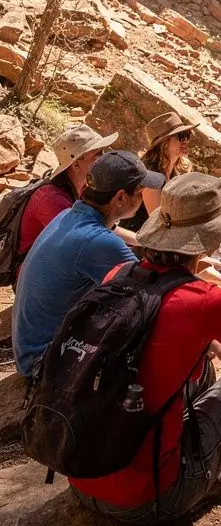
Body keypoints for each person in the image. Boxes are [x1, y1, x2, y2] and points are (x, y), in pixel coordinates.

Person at [68, 173, 221, 526]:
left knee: (199, 360)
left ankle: (214, 476)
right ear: (209, 239)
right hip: (151, 498)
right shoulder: (207, 301)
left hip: (82, 479)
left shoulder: (118, 274)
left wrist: (203, 340)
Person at [12, 150, 162, 377]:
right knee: (150, 318)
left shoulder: (69, 215)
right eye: (140, 192)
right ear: (120, 197)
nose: (142, 199)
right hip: (43, 361)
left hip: (29, 349)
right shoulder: (98, 241)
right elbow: (155, 289)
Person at [122, 111, 221, 303]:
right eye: (180, 136)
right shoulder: (151, 175)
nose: (186, 140)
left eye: (187, 135)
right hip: (145, 239)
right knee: (187, 249)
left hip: (165, 233)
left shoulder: (176, 168)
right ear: (163, 143)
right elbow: (158, 219)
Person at [15, 124, 118, 276]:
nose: (104, 158)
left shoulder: (82, 188)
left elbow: (102, 227)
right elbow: (82, 241)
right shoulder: (52, 199)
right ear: (76, 165)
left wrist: (137, 239)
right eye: (98, 154)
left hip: (53, 260)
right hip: (32, 274)